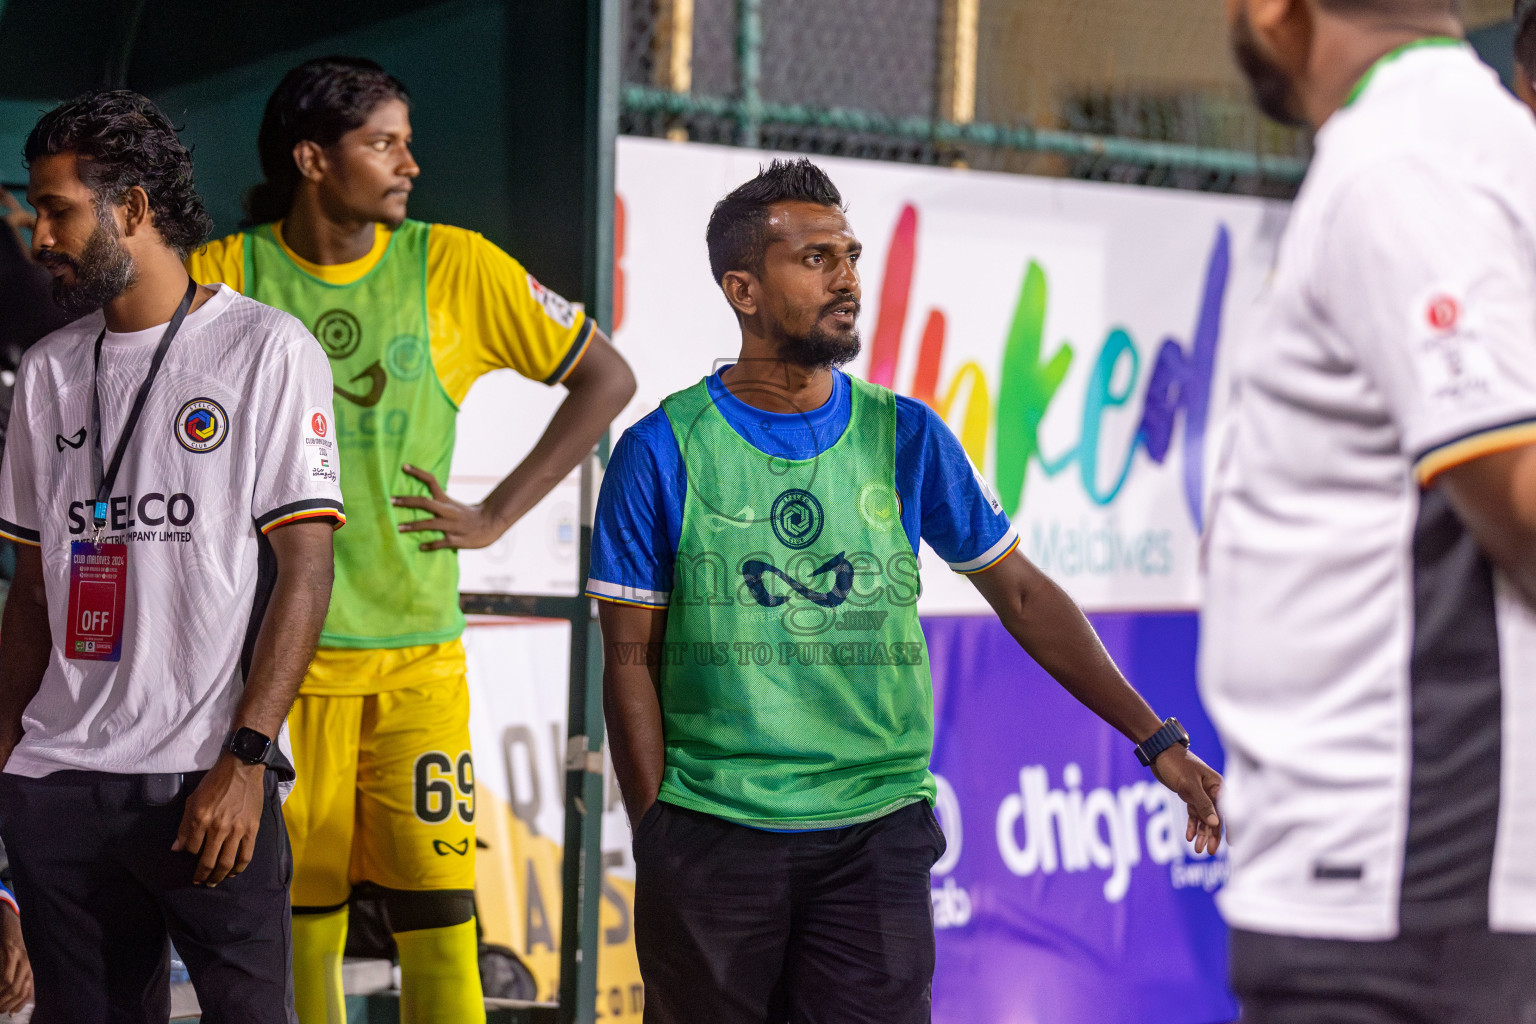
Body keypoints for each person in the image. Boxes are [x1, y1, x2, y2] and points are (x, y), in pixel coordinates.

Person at [586, 158, 1225, 1024]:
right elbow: (628, 658)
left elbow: (1027, 600)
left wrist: (1159, 740)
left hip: (874, 838)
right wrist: (660, 835)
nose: (846, 276)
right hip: (713, 839)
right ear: (743, 288)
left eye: (849, 254)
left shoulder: (905, 434)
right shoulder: (659, 449)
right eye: (814, 259)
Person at [187, 57, 635, 1024]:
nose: (410, 163)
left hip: (418, 664)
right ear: (313, 158)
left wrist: (500, 514)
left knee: (441, 920)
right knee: (295, 925)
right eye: (383, 142)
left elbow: (608, 376)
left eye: (407, 139)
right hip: (275, 674)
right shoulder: (228, 277)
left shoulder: (454, 265)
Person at [1204, 2, 1536, 1020]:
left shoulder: (1403, 164)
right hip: (1403, 890)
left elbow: (1519, 499)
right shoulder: (1447, 144)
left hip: (1398, 893)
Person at [0, 91, 343, 1022]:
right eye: (35, 212)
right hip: (57, 785)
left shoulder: (265, 350)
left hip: (205, 784)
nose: (39, 237)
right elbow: (33, 594)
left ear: (135, 210)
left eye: (58, 210)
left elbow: (306, 573)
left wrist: (245, 757)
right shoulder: (48, 370)